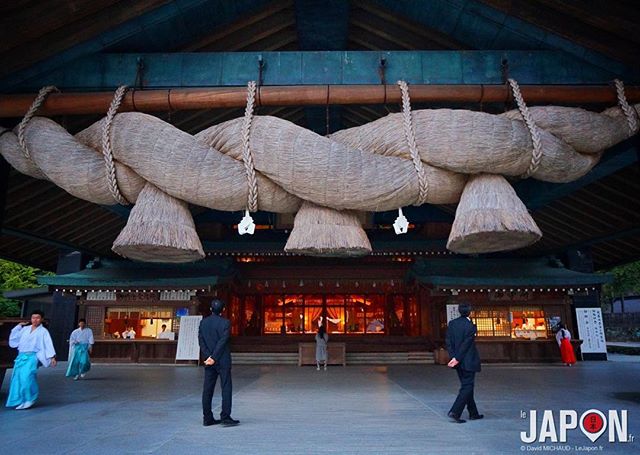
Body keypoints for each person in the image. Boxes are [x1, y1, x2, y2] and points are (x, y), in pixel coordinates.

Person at [198, 299, 239, 427]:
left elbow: (201, 340)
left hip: (209, 360)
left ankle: (207, 417)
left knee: (207, 389)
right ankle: (225, 416)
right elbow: (223, 341)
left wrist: (208, 356)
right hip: (222, 360)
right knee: (226, 387)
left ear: (211, 309)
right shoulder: (225, 323)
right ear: (223, 310)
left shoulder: (203, 322)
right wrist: (215, 357)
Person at [6, 310, 57, 410]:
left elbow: (48, 343)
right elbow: (14, 339)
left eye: (38, 318)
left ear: (41, 319)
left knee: (27, 377)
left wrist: (52, 357)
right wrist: (18, 326)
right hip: (21, 357)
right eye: (33, 318)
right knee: (17, 379)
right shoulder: (25, 329)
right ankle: (20, 400)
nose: (35, 320)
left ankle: (30, 398)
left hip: (32, 357)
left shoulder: (43, 331)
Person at [446, 303, 483, 423]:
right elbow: (466, 344)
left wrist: (453, 357)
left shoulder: (452, 324)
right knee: (467, 386)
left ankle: (473, 413)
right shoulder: (470, 326)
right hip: (468, 360)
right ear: (470, 312)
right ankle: (455, 412)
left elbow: (448, 341)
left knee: (467, 386)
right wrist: (457, 358)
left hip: (457, 361)